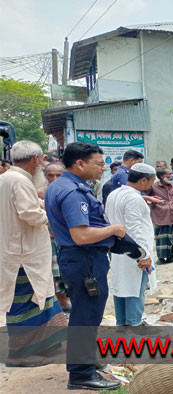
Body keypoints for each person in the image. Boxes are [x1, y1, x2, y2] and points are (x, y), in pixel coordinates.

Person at [45, 141, 125, 391]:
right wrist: (113, 229)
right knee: (86, 315)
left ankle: (87, 360)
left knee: (87, 312)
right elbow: (81, 235)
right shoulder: (72, 192)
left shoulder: (62, 185)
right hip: (84, 259)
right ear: (80, 163)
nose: (103, 168)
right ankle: (81, 373)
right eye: (99, 163)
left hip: (82, 259)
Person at [0, 141, 68, 367]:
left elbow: (30, 206)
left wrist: (45, 206)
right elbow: (28, 213)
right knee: (24, 301)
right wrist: (54, 218)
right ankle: (18, 354)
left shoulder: (8, 178)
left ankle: (44, 344)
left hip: (20, 251)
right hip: (23, 255)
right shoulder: (19, 180)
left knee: (41, 297)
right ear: (35, 159)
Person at [105, 164, 157, 327]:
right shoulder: (134, 198)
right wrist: (143, 255)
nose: (152, 185)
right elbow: (134, 229)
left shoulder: (115, 194)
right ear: (143, 180)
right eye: (152, 181)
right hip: (134, 251)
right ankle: (135, 324)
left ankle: (123, 323)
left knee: (121, 286)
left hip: (119, 249)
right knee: (135, 288)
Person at [45, 163, 71, 312]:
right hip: (49, 239)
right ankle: (60, 304)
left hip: (67, 239)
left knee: (65, 271)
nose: (54, 178)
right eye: (50, 175)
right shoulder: (40, 193)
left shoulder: (70, 191)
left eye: (58, 175)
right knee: (54, 274)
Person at [149, 168, 173, 265]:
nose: (172, 176)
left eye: (172, 174)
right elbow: (146, 196)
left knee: (172, 237)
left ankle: (171, 257)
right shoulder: (153, 186)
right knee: (161, 237)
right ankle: (161, 258)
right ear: (162, 177)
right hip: (160, 216)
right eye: (169, 174)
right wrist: (153, 201)